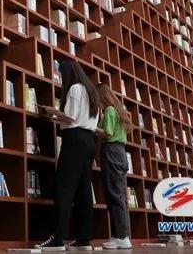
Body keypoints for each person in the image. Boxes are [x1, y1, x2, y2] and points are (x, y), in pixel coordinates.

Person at [35, 60, 100, 252]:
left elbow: (70, 118)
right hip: (89, 141)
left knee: (63, 189)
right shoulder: (91, 91)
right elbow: (83, 118)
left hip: (74, 140)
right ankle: (83, 239)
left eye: (62, 74)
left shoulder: (75, 89)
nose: (62, 78)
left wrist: (53, 111)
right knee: (84, 191)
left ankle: (57, 238)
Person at [96, 82, 132, 250]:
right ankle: (120, 235)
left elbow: (108, 134)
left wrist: (91, 127)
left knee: (115, 197)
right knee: (118, 196)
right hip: (120, 153)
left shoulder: (109, 111)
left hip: (111, 152)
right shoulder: (118, 110)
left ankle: (121, 237)